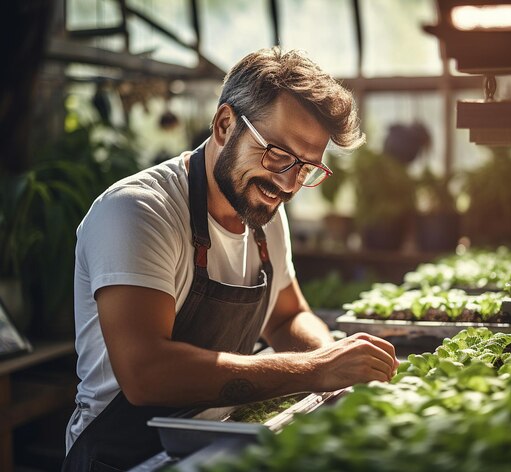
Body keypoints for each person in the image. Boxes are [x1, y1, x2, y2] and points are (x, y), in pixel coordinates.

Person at [62, 47, 399, 471]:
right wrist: (315, 368)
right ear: (225, 124)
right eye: (278, 155)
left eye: (307, 168)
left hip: (217, 446)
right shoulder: (138, 211)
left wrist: (342, 368)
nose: (289, 183)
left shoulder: (263, 210)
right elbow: (146, 372)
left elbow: (286, 317)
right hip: (124, 459)